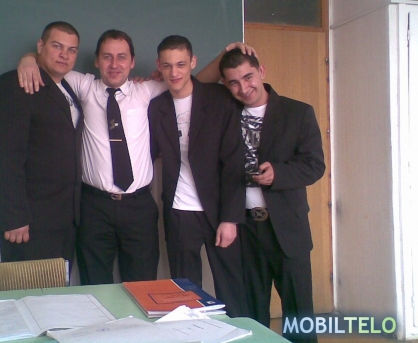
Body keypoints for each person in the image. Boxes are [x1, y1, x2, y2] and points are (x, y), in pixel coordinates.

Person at [16, 32, 254, 285]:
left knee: (142, 284)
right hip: (94, 207)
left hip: (139, 207)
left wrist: (225, 55)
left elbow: (192, 82)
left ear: (132, 62)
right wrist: (29, 59)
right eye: (107, 57)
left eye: (122, 57)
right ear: (96, 60)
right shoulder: (83, 86)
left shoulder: (146, 90)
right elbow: (53, 64)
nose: (114, 64)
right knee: (95, 283)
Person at [218, 48, 325, 342]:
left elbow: (315, 166)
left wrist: (278, 174)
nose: (243, 87)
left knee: (299, 313)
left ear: (261, 71)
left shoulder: (298, 112)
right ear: (225, 85)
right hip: (245, 230)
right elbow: (195, 83)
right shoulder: (225, 113)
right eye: (233, 82)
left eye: (248, 77)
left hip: (288, 228)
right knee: (252, 313)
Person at [148, 35, 249, 317]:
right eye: (167, 66)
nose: (174, 72)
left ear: (193, 62)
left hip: (219, 211)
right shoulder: (157, 106)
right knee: (186, 293)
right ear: (159, 66)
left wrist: (230, 218)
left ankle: (242, 332)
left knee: (231, 286)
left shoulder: (219, 99)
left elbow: (234, 162)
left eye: (181, 64)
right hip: (179, 211)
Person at [0, 21, 83, 264]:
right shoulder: (14, 84)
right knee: (27, 288)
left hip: (65, 220)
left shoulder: (68, 89)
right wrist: (13, 217)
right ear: (40, 46)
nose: (64, 54)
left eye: (71, 50)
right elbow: (4, 157)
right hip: (29, 223)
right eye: (57, 46)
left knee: (58, 287)